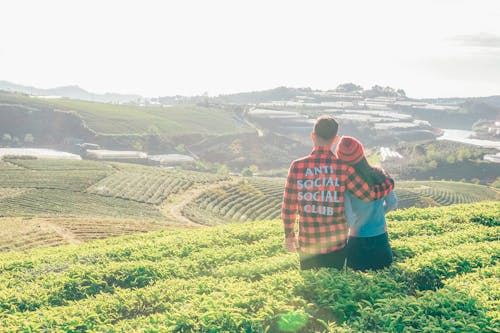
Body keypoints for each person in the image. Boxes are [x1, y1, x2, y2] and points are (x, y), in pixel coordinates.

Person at [281, 116, 395, 270]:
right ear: (335, 140)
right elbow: (368, 195)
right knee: (334, 288)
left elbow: (289, 206)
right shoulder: (343, 168)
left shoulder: (297, 166)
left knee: (311, 290)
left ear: (313, 136)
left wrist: (289, 236)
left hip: (308, 244)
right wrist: (389, 183)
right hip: (336, 245)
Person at [336, 136, 397, 271]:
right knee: (383, 282)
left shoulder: (346, 183)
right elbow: (393, 203)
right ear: (361, 153)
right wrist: (380, 212)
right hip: (380, 236)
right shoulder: (380, 174)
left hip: (356, 239)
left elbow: (350, 219)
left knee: (357, 285)